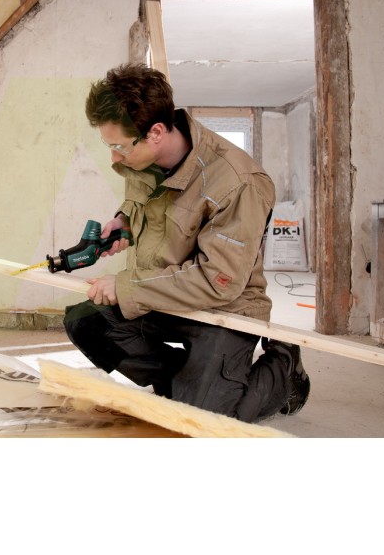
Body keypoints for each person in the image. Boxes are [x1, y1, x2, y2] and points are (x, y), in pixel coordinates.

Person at [63, 63, 310, 423]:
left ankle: (283, 367)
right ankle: (189, 386)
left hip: (223, 306)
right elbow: (150, 208)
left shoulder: (239, 182)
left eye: (119, 146)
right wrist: (123, 223)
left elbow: (218, 280)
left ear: (156, 132)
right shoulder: (141, 160)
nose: (114, 157)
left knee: (204, 421)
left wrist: (127, 287)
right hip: (162, 293)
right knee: (85, 323)